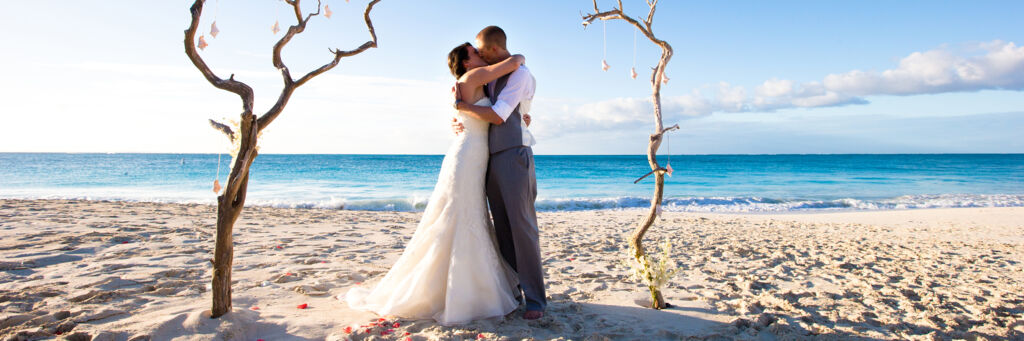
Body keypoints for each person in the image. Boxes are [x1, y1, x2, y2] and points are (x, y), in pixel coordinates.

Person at [343, 39, 527, 325]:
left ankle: (463, 287)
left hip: (471, 153)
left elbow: (465, 111)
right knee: (460, 215)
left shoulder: (468, 81)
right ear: (466, 62)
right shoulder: (474, 75)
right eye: (474, 53)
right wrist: (519, 56)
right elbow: (515, 62)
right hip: (468, 155)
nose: (479, 54)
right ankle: (461, 291)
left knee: (463, 215)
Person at [452, 26, 545, 320]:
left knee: (523, 227)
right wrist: (459, 118)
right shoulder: (488, 73)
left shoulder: (520, 74)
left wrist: (464, 107)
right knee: (501, 227)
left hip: (514, 153)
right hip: (487, 157)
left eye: (480, 50)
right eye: (474, 53)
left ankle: (536, 300)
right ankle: (512, 290)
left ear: (492, 50)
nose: (478, 54)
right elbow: (478, 109)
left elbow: (499, 114)